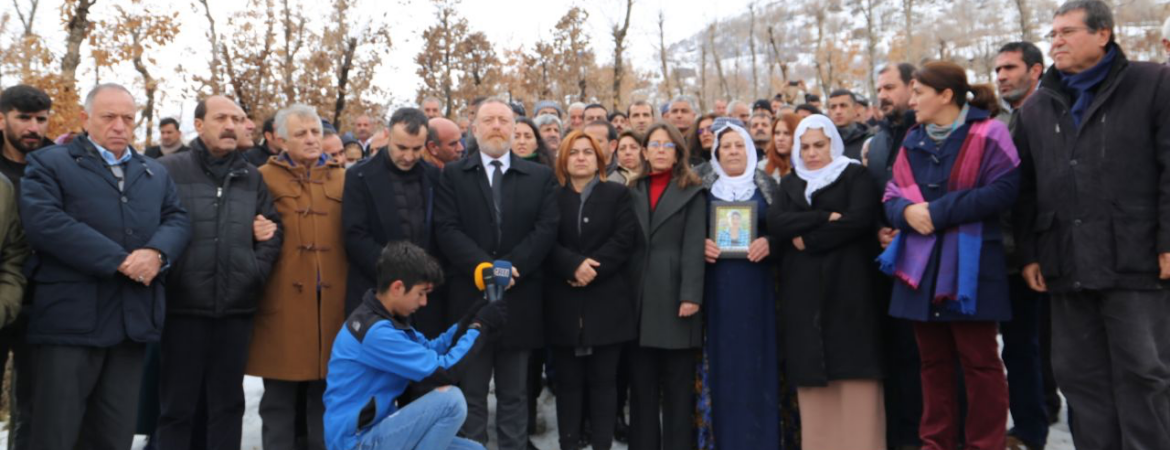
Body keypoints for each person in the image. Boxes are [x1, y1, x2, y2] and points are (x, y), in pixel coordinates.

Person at [1013, 1, 1170, 448]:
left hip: (1135, 259)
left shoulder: (1154, 82)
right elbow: (1025, 190)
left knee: (1144, 375)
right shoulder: (1037, 107)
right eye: (1053, 34)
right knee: (1080, 379)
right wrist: (1030, 253)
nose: (1056, 41)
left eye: (1067, 32)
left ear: (1103, 34)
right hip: (1066, 263)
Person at [22, 83, 191, 450]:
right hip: (69, 324)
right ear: (85, 119)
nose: (120, 126)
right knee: (56, 433)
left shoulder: (153, 172)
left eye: (127, 118)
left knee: (114, 435)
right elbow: (45, 222)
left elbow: (177, 218)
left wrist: (157, 254)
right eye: (109, 117)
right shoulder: (50, 162)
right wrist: (119, 260)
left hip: (131, 324)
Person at [879, 61, 1017, 450]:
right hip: (920, 269)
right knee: (932, 363)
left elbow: (1003, 190)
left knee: (981, 363)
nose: (913, 99)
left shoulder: (990, 133)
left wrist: (935, 213)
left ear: (945, 95)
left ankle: (985, 443)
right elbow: (891, 196)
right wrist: (905, 213)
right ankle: (936, 443)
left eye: (919, 92)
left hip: (971, 269)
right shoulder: (912, 139)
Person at [153, 95, 283, 450]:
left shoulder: (251, 177)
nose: (230, 126)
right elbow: (150, 227)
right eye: (221, 117)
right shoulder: (170, 170)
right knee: (177, 409)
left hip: (235, 312)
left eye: (237, 119)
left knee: (228, 407)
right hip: (183, 310)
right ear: (198, 124)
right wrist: (170, 276)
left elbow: (272, 230)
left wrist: (253, 270)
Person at [434, 98, 559, 450]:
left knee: (514, 393)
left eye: (504, 120)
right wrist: (482, 267)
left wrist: (509, 266)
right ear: (474, 129)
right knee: (471, 394)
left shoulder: (539, 177)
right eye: (487, 120)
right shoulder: (454, 175)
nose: (496, 126)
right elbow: (446, 227)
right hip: (469, 302)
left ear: (514, 128)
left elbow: (545, 229)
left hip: (519, 300)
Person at [768, 114, 884, 450]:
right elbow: (777, 223)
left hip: (849, 291)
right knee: (815, 384)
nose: (811, 153)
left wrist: (809, 239)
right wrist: (822, 218)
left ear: (833, 143)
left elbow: (858, 220)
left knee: (855, 379)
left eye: (819, 145)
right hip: (804, 296)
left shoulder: (854, 175)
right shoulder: (791, 183)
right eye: (804, 146)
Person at [323, 241, 506, 450]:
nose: (424, 302)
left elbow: (433, 349)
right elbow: (445, 371)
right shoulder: (376, 333)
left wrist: (472, 316)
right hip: (356, 442)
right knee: (452, 402)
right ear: (397, 287)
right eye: (421, 293)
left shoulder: (387, 320)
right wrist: (480, 326)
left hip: (379, 430)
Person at [247, 104, 348, 450]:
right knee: (279, 400)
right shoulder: (261, 177)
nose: (310, 139)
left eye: (315, 132)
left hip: (332, 307)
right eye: (301, 134)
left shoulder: (342, 177)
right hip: (283, 305)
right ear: (281, 140)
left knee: (327, 397)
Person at [544, 130, 639, 450]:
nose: (581, 157)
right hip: (563, 305)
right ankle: (568, 443)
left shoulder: (617, 194)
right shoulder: (551, 196)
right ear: (563, 160)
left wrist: (590, 269)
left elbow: (624, 239)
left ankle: (602, 444)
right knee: (567, 384)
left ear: (599, 159)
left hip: (607, 304)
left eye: (588, 152)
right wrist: (571, 265)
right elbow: (545, 240)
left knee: (604, 383)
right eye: (574, 152)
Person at [695, 123, 783, 450]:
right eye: (726, 146)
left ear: (750, 150)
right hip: (715, 295)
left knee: (757, 368)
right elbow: (684, 233)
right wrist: (697, 244)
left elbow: (786, 231)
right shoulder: (700, 189)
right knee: (722, 369)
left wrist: (771, 242)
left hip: (759, 294)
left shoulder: (769, 187)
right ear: (716, 153)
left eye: (739, 146)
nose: (732, 151)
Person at [627, 122, 704, 450]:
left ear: (678, 153)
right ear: (643, 152)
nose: (660, 151)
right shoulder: (631, 189)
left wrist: (690, 294)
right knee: (641, 389)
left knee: (676, 389)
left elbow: (693, 245)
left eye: (667, 145)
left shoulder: (693, 190)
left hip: (675, 297)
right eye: (654, 145)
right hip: (637, 298)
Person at [993, 40, 1053, 450]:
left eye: (1010, 68)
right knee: (1022, 348)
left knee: (1044, 349)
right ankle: (1033, 425)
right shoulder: (1006, 120)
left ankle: (1038, 423)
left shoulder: (1050, 113)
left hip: (1049, 249)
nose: (1001, 77)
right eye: (997, 70)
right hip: (1015, 255)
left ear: (1035, 70)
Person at [862, 62, 924, 450]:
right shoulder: (879, 140)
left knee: (926, 358)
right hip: (886, 263)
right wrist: (878, 229)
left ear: (912, 87)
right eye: (879, 88)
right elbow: (873, 196)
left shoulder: (930, 130)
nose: (882, 95)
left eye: (889, 87)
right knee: (895, 354)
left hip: (927, 258)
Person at [344, 107, 443, 326]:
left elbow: (439, 231)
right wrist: (401, 276)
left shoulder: (433, 176)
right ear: (387, 136)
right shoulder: (359, 176)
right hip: (378, 295)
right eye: (401, 147)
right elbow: (356, 236)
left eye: (417, 148)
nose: (409, 156)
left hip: (426, 299)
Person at [0, 84, 40, 450]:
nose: (33, 127)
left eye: (40, 119)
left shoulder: (54, 166)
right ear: (2, 119)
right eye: (23, 118)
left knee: (31, 406)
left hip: (42, 302)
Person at [827, 89, 871, 160]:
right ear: (829, 113)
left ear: (855, 110)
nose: (838, 111)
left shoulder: (869, 141)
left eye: (843, 106)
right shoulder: (825, 143)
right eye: (833, 107)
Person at [759, 113, 800, 182]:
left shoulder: (808, 168)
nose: (780, 138)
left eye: (787, 133)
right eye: (777, 133)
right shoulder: (762, 167)